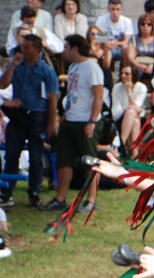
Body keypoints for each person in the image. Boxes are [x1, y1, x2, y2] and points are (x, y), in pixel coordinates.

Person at [41, 34, 102, 213]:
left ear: (75, 48)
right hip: (70, 120)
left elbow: (98, 95)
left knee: (89, 162)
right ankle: (60, 199)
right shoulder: (73, 67)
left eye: (66, 47)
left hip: (86, 121)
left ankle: (91, 201)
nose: (64, 51)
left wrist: (92, 120)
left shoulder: (92, 67)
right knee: (64, 160)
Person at [0, 33, 58, 209]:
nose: (23, 50)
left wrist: (51, 122)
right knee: (11, 153)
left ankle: (34, 192)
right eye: (22, 47)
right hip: (19, 114)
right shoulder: (18, 65)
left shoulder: (46, 70)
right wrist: (12, 66)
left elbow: (52, 97)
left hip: (37, 115)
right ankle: (7, 191)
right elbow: (3, 84)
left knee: (35, 155)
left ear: (37, 49)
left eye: (27, 47)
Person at [111, 65, 148, 155]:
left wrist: (129, 91)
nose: (123, 76)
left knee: (134, 117)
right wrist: (129, 110)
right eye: (121, 73)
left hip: (138, 119)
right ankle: (132, 151)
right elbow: (115, 112)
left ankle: (122, 146)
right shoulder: (117, 87)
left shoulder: (141, 87)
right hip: (120, 118)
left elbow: (137, 107)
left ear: (134, 75)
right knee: (132, 113)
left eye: (127, 74)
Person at [94, 0, 133, 64]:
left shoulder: (127, 21)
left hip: (121, 48)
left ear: (121, 10)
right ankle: (106, 72)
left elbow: (126, 40)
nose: (115, 12)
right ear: (108, 9)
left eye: (118, 9)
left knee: (126, 48)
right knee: (107, 52)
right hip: (107, 47)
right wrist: (108, 43)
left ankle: (125, 71)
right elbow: (99, 38)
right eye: (113, 9)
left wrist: (115, 44)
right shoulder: (101, 20)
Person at [131, 13, 154, 81]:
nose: (146, 26)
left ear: (152, 27)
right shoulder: (134, 39)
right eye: (143, 24)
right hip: (138, 65)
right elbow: (131, 57)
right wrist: (138, 66)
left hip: (152, 65)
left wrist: (152, 66)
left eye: (149, 24)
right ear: (139, 26)